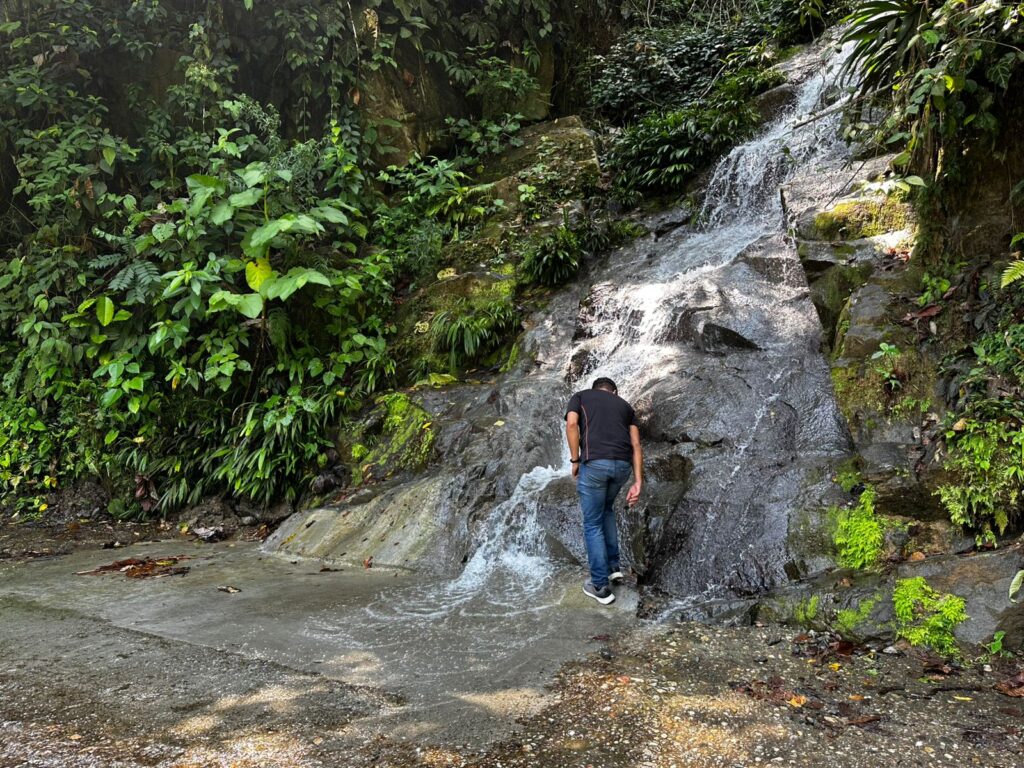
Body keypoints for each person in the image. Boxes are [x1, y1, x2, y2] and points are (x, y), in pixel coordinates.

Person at [564, 377, 642, 605]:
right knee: (606, 509)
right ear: (614, 392)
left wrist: (575, 460)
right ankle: (613, 567)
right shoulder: (626, 406)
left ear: (594, 390)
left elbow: (571, 425)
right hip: (622, 468)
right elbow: (636, 445)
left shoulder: (581, 396)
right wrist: (638, 481)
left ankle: (599, 586)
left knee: (592, 523)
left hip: (596, 464)